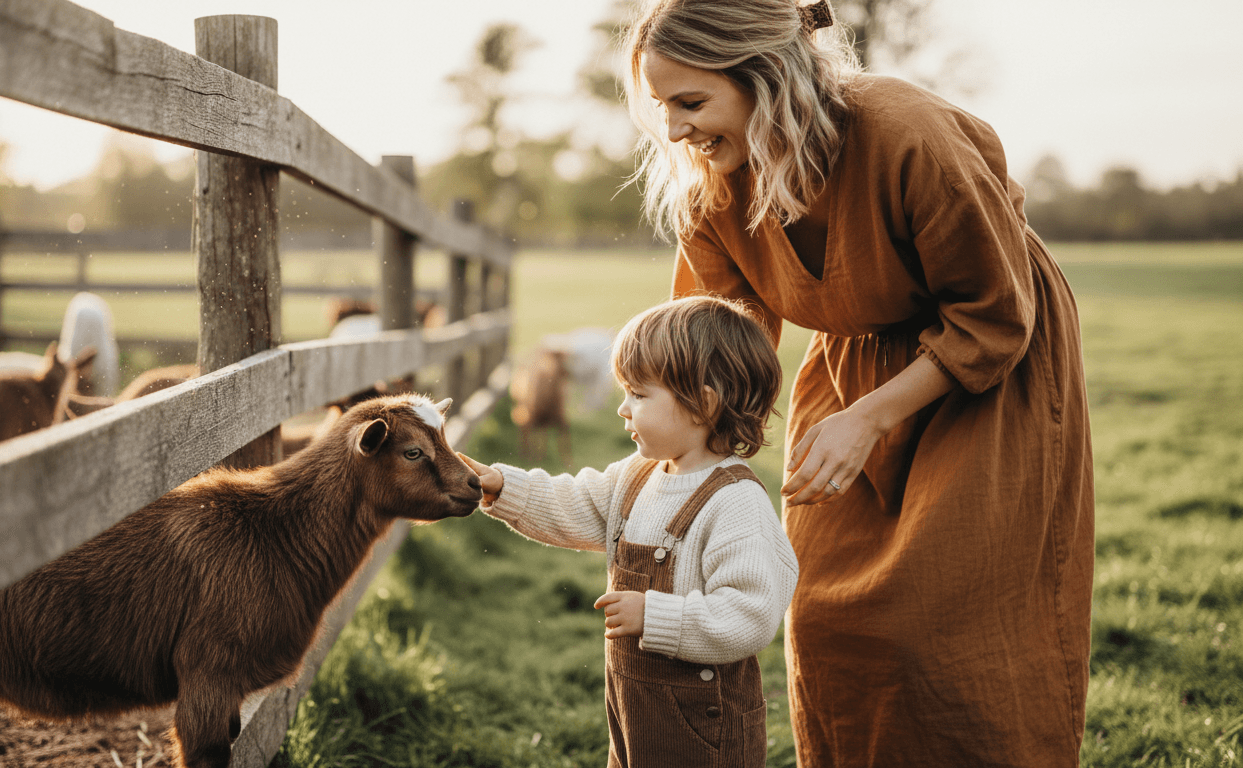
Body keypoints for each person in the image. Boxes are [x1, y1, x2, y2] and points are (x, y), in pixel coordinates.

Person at [623, 0, 1096, 765]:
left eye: (692, 102)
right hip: (848, 373)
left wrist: (871, 419)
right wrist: (672, 480)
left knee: (940, 629)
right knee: (824, 615)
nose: (674, 130)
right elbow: (715, 343)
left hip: (983, 370)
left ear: (764, 78)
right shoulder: (712, 186)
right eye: (661, 106)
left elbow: (997, 313)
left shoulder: (905, 133)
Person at [459, 295, 798, 767]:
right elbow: (573, 502)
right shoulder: (637, 475)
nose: (622, 409)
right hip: (633, 712)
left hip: (706, 732)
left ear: (702, 404)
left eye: (638, 395)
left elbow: (750, 613)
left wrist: (656, 616)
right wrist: (503, 486)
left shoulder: (736, 503)